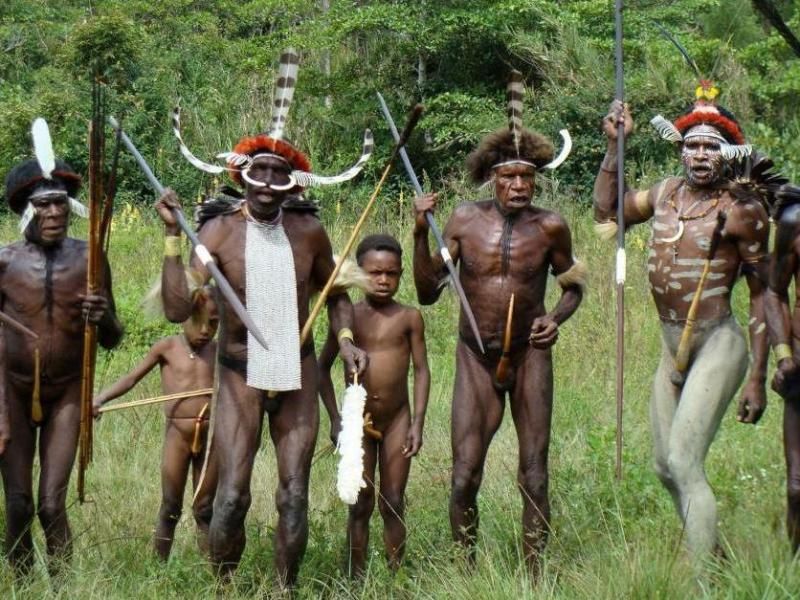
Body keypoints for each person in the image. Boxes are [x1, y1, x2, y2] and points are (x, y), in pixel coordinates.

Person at [156, 49, 370, 585]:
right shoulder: (217, 231)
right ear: (243, 175)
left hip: (297, 371)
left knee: (294, 495)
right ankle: (225, 587)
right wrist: (171, 238)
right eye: (260, 171)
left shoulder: (309, 232)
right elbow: (178, 308)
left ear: (293, 182)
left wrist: (345, 338)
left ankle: (284, 590)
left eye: (279, 172)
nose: (268, 181)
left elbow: (336, 294)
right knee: (232, 495)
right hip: (239, 373)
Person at [412, 75, 584, 572]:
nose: (519, 187)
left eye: (527, 179)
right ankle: (465, 571)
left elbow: (573, 287)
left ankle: (534, 575)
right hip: (475, 357)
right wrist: (419, 233)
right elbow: (427, 291)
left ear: (537, 181)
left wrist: (554, 318)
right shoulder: (464, 221)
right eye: (509, 178)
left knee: (534, 473)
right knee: (464, 475)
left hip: (530, 355)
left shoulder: (550, 227)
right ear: (493, 178)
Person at [594, 83, 770, 559]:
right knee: (663, 465)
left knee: (684, 461)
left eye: (711, 146)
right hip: (671, 344)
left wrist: (757, 376)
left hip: (717, 342)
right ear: (680, 148)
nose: (700, 155)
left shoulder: (742, 210)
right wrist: (614, 146)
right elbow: (607, 212)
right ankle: (716, 557)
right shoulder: (665, 194)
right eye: (692, 145)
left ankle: (702, 583)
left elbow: (763, 296)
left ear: (730, 153)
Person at [0, 154, 123, 576]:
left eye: (60, 203)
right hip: (13, 391)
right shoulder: (5, 262)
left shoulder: (90, 259)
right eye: (43, 204)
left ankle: (65, 587)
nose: (54, 212)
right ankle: (21, 584)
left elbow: (112, 338)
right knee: (19, 502)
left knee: (52, 503)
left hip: (67, 393)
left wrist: (103, 316)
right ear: (25, 209)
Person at [318, 233, 430, 576]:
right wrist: (335, 418)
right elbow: (321, 369)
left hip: (397, 419)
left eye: (391, 273)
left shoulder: (409, 317)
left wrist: (417, 423)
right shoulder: (347, 318)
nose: (383, 280)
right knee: (360, 501)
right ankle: (356, 578)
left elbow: (422, 370)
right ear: (359, 274)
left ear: (401, 274)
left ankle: (396, 577)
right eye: (375, 273)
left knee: (393, 500)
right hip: (358, 422)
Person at [93, 283, 219, 560]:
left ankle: (216, 574)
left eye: (213, 323)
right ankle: (158, 568)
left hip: (212, 438)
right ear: (182, 317)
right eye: (198, 322)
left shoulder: (220, 351)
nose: (205, 331)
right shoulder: (167, 347)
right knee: (170, 507)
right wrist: (100, 399)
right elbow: (131, 378)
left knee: (205, 509)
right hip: (177, 435)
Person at [765, 183, 800, 553]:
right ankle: (794, 567)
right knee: (797, 487)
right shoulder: (794, 221)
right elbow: (775, 292)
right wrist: (784, 355)